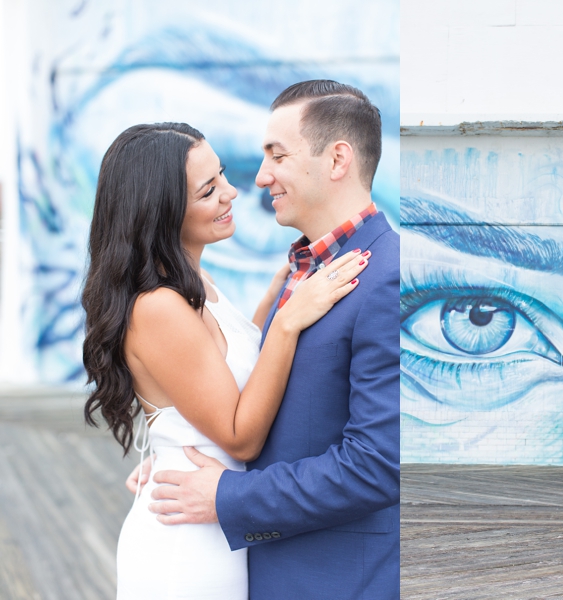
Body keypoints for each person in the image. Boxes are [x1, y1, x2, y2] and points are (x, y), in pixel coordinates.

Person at [131, 81, 401, 599]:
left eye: (277, 156)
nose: (259, 178)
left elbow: (375, 464)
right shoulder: (304, 270)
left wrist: (229, 493)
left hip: (333, 578)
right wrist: (179, 451)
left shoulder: (384, 275)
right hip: (249, 562)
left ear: (338, 159)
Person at [82, 122, 370, 599]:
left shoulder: (194, 279)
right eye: (209, 189)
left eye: (222, 176)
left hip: (218, 522)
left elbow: (229, 366)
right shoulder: (158, 307)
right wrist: (286, 323)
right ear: (163, 211)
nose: (232, 193)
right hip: (186, 543)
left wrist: (281, 295)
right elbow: (239, 437)